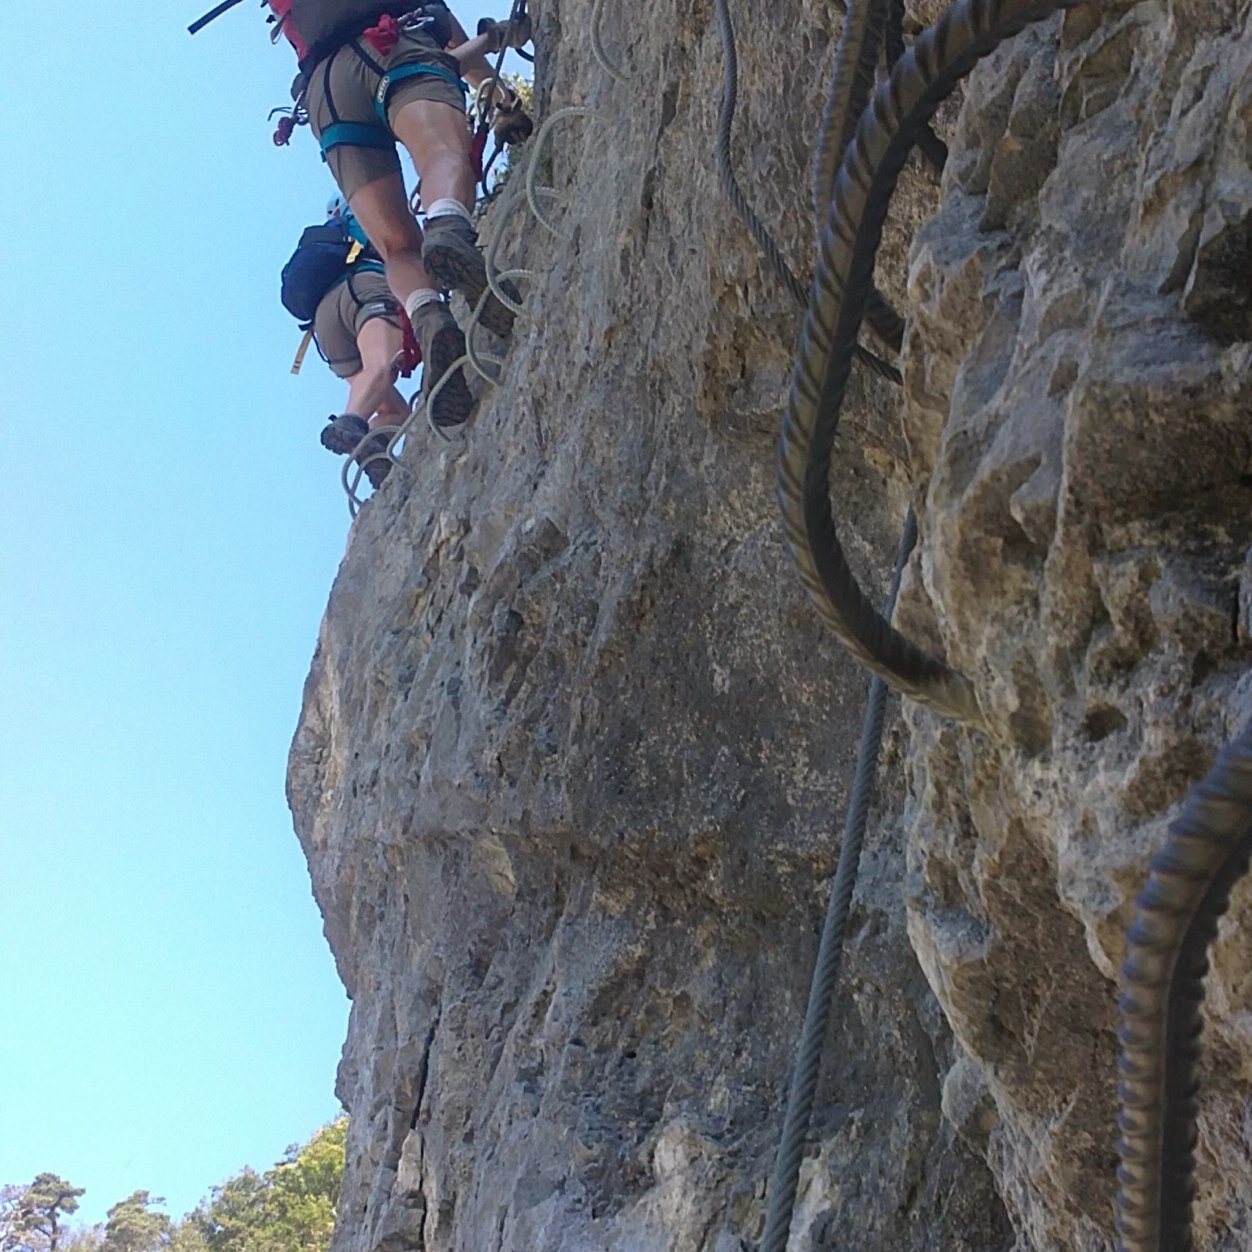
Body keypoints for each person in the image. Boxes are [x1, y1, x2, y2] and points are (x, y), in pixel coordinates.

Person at [266, 0, 530, 352]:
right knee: (440, 154)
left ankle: (428, 318)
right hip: (391, 42)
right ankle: (447, 230)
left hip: (326, 94)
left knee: (396, 247)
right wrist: (503, 99)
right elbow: (446, 30)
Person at [304, 196, 474, 486]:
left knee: (394, 411)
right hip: (364, 288)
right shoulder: (367, 212)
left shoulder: (327, 239)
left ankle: (374, 448)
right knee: (380, 367)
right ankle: (351, 421)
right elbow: (406, 248)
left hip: (324, 326)